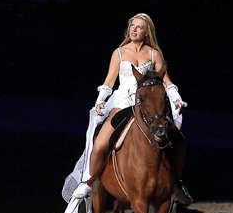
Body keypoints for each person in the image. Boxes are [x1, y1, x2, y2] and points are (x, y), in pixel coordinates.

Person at [69, 12, 191, 202]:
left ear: (147, 32)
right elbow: (109, 81)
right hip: (123, 102)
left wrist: (177, 99)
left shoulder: (154, 54)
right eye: (132, 26)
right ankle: (89, 181)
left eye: (139, 27)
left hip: (148, 103)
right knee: (100, 144)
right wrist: (100, 100)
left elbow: (166, 81)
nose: (134, 29)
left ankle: (175, 183)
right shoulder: (119, 53)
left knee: (178, 141)